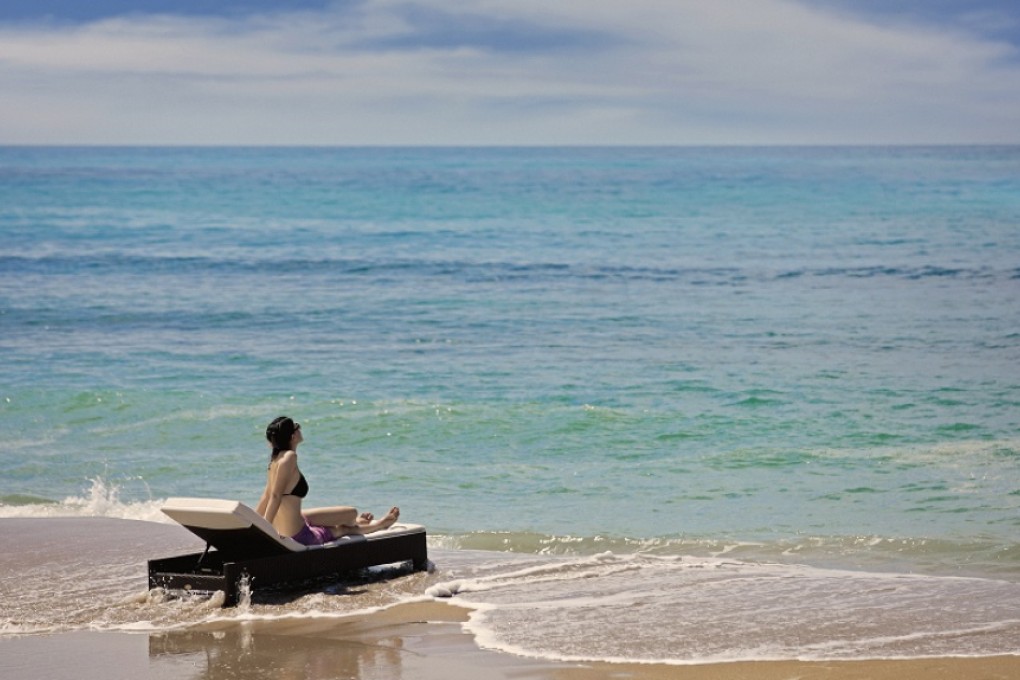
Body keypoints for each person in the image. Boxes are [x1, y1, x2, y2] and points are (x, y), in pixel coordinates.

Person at [256, 416, 399, 546]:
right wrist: (265, 532)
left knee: (351, 514)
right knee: (343, 527)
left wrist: (255, 524)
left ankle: (356, 524)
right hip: (300, 536)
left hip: (295, 522)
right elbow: (274, 496)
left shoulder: (276, 460)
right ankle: (379, 524)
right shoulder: (290, 457)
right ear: (292, 436)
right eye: (297, 425)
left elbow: (266, 496)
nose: (300, 427)